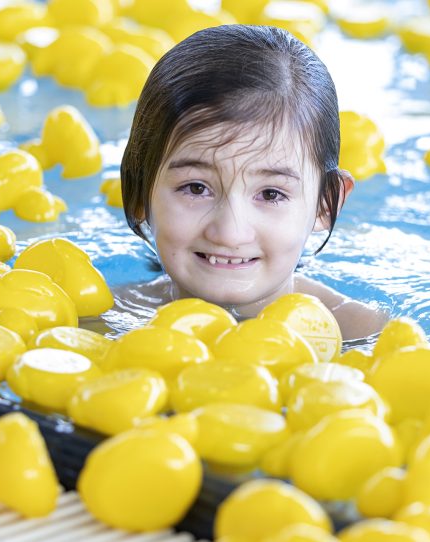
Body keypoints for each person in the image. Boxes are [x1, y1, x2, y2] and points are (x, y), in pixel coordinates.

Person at [114, 24, 388, 341]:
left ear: (325, 203)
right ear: (137, 193)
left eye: (271, 194)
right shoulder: (112, 320)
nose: (230, 233)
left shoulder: (362, 336)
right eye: (196, 188)